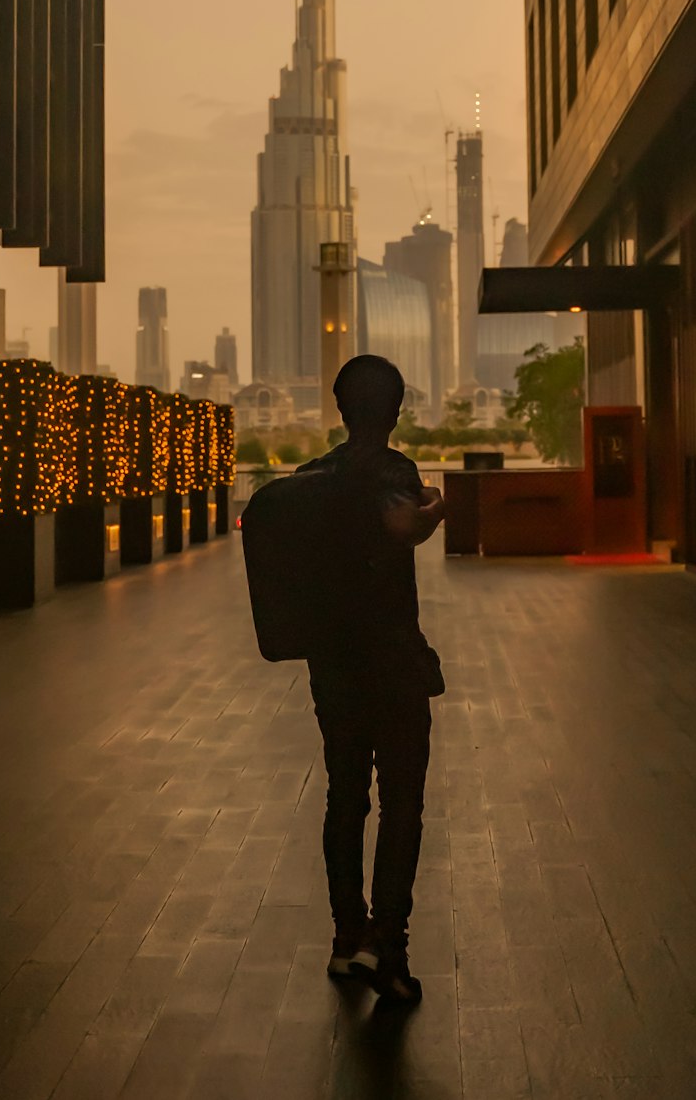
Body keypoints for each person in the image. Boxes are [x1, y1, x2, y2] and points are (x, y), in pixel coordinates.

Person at [297, 355, 445, 1004]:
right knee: (402, 803)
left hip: (333, 664)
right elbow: (402, 525)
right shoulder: (397, 472)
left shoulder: (311, 478)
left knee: (345, 797)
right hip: (393, 660)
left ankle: (344, 940)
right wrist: (436, 507)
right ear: (395, 412)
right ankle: (390, 947)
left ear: (340, 409)